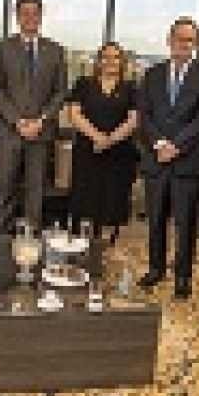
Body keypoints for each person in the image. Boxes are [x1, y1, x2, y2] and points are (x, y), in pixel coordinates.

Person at [135, 17, 199, 300]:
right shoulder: (152, 74)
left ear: (196, 44)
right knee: (156, 219)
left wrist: (176, 145)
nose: (184, 44)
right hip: (156, 160)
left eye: (190, 40)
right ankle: (156, 269)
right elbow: (144, 115)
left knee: (185, 224)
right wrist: (159, 143)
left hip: (188, 162)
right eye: (180, 39)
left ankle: (183, 277)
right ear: (169, 40)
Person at [0, 0, 67, 230]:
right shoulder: (2, 48)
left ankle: (30, 240)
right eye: (25, 13)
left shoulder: (55, 50)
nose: (30, 17)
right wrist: (18, 122)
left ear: (41, 16)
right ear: (17, 16)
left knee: (36, 189)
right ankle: (4, 237)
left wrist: (41, 121)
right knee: (5, 186)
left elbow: (60, 92)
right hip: (8, 130)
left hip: (41, 132)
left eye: (35, 13)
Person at [67, 42, 138, 244]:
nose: (110, 61)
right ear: (98, 61)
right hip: (87, 150)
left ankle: (106, 245)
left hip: (119, 152)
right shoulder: (84, 84)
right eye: (106, 57)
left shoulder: (131, 87)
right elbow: (74, 114)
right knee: (85, 197)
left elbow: (134, 119)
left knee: (112, 199)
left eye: (115, 57)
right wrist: (98, 137)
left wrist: (110, 140)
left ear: (122, 62)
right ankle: (81, 242)